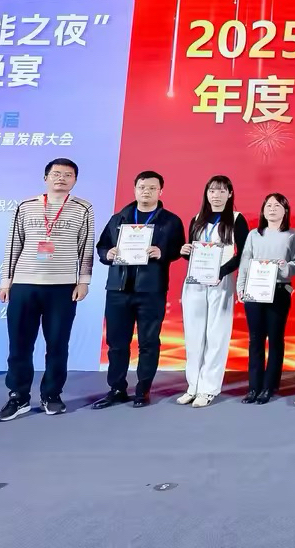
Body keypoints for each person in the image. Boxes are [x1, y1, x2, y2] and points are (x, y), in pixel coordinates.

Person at [0, 158, 95, 422]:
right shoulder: (25, 206)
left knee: (58, 344)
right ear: (46, 178)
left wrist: (84, 281)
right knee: (19, 345)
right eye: (56, 173)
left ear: (75, 180)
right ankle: (18, 396)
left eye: (68, 174)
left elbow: (86, 246)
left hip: (62, 287)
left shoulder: (83, 208)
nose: (61, 178)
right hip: (24, 285)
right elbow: (13, 244)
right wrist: (6, 282)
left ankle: (51, 394)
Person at [92, 171, 186, 410]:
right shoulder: (119, 218)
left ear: (160, 191)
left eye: (152, 188)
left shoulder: (171, 221)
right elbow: (102, 246)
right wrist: (107, 254)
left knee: (148, 342)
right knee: (116, 342)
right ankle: (116, 389)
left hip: (151, 290)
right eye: (142, 187)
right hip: (118, 289)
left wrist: (162, 252)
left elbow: (179, 249)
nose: (147, 191)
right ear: (135, 189)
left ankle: (143, 389)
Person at [178, 175, 249, 408]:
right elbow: (192, 252)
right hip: (195, 282)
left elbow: (243, 254)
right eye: (212, 191)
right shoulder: (196, 219)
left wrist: (222, 271)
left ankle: (208, 388)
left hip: (221, 281)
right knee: (193, 334)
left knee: (216, 335)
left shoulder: (237, 219)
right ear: (206, 194)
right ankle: (193, 386)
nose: (216, 195)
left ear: (230, 194)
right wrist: (185, 251)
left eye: (221, 191)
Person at [237, 193, 295, 404]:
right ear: (263, 210)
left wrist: (286, 267)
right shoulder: (254, 234)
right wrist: (241, 287)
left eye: (277, 205)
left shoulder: (293, 235)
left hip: (279, 291)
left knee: (275, 339)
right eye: (268, 205)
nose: (272, 209)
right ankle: (253, 387)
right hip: (254, 291)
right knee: (255, 340)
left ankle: (269, 387)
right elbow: (245, 261)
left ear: (285, 210)